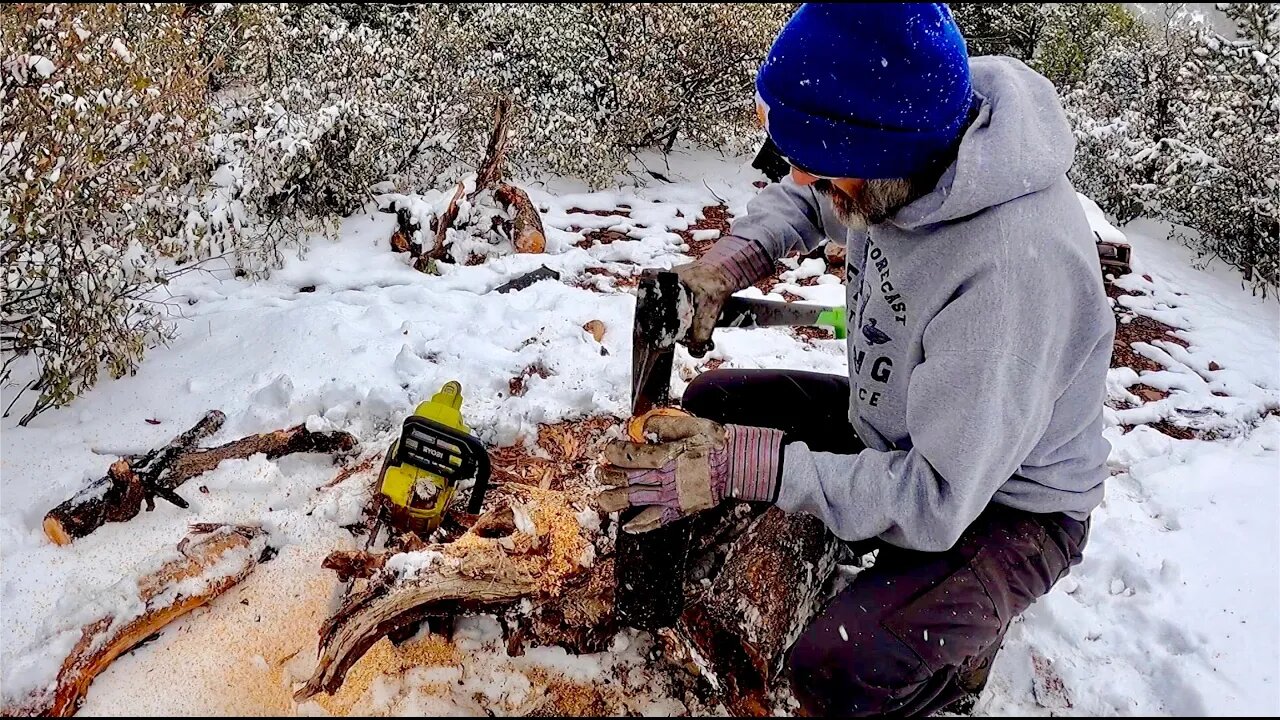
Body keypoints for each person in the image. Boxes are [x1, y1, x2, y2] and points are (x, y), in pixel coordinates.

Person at [596, 3, 1115, 716]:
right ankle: (650, 616)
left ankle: (946, 675)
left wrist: (745, 466)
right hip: (904, 426)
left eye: (827, 171)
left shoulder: (1011, 275)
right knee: (713, 404)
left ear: (887, 162)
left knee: (840, 666)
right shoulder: (911, 137)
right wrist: (727, 265)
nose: (807, 182)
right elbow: (809, 199)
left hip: (1007, 507)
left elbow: (936, 500)